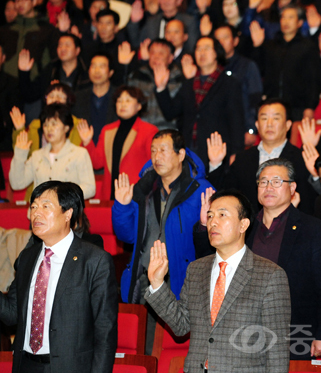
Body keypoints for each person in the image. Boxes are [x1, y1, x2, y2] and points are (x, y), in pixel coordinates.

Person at [144, 190, 291, 373]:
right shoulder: (196, 270)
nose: (213, 222)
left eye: (222, 215)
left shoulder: (270, 275)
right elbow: (181, 325)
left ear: (243, 225)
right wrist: (157, 283)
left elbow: (277, 351)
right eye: (210, 215)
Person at [0, 180, 118, 373]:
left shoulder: (94, 260)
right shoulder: (27, 258)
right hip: (26, 365)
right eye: (34, 207)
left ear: (68, 213)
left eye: (46, 206)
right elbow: (12, 313)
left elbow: (105, 332)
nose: (36, 213)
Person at [238, 159, 321, 360]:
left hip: (296, 334)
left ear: (292, 188)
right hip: (246, 334)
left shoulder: (313, 229)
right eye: (263, 182)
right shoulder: (244, 229)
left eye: (276, 181)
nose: (269, 187)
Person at [112, 129, 212, 305]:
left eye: (163, 150)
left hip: (181, 278)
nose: (156, 157)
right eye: (153, 151)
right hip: (145, 275)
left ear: (180, 154)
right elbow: (126, 236)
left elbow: (211, 242)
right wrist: (122, 206)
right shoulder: (143, 189)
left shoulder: (200, 190)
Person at [207, 98, 319, 215]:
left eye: (276, 118)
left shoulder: (301, 158)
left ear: (287, 125)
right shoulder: (243, 158)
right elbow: (225, 195)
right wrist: (216, 164)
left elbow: (312, 202)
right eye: (264, 118)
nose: (269, 124)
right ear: (257, 124)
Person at [156, 36, 245, 167]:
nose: (201, 53)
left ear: (217, 53)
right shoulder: (189, 82)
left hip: (217, 149)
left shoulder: (229, 83)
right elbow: (170, 112)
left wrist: (237, 152)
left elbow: (236, 121)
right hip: (189, 149)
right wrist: (161, 88)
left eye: (206, 49)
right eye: (198, 49)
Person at [79, 86, 158, 201]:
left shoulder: (149, 131)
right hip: (110, 195)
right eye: (119, 101)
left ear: (139, 106)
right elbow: (97, 163)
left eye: (128, 100)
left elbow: (153, 165)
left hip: (137, 195)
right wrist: (87, 142)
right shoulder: (107, 130)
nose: (122, 104)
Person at [10, 103, 96, 199]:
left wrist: (62, 197)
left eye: (54, 124)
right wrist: (20, 154)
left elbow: (90, 188)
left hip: (66, 212)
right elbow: (17, 184)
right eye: (45, 125)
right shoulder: (37, 155)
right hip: (39, 213)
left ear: (66, 128)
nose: (49, 129)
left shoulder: (79, 154)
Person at [250, 4, 321, 121]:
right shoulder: (270, 46)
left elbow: (313, 79)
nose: (286, 21)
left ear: (299, 23)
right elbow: (259, 70)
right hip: (273, 104)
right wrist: (257, 47)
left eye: (291, 18)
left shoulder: (307, 47)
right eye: (283, 17)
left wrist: (310, 106)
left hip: (298, 106)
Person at [215, 24, 263, 146]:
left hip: (240, 129)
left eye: (225, 38)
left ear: (235, 41)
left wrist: (251, 129)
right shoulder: (212, 68)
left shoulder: (247, 65)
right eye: (217, 39)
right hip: (217, 129)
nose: (221, 42)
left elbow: (255, 99)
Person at [0, 0, 58, 79]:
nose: (20, 3)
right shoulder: (5, 30)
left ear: (34, 1)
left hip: (35, 83)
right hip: (7, 85)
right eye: (17, 0)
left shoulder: (47, 29)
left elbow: (53, 61)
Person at [126, 38, 185, 130]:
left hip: (168, 130)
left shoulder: (180, 79)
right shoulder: (138, 75)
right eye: (152, 52)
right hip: (139, 130)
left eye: (161, 53)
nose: (156, 56)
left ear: (170, 58)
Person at [18, 34, 90, 105]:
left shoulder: (86, 73)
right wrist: (24, 73)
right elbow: (29, 96)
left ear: (77, 50)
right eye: (60, 45)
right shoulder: (50, 70)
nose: (63, 49)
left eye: (67, 45)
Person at [126, 0, 198, 52]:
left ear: (179, 1)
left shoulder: (188, 21)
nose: (166, 1)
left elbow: (192, 47)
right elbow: (137, 43)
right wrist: (134, 23)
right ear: (159, 0)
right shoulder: (152, 21)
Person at [72, 51, 117, 144]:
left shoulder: (119, 97)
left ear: (111, 72)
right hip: (84, 150)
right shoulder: (77, 98)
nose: (97, 71)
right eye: (93, 66)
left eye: (102, 66)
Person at [81, 9, 129, 86]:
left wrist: (124, 65)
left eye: (108, 23)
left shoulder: (123, 50)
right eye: (100, 23)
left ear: (116, 27)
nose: (103, 27)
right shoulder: (89, 49)